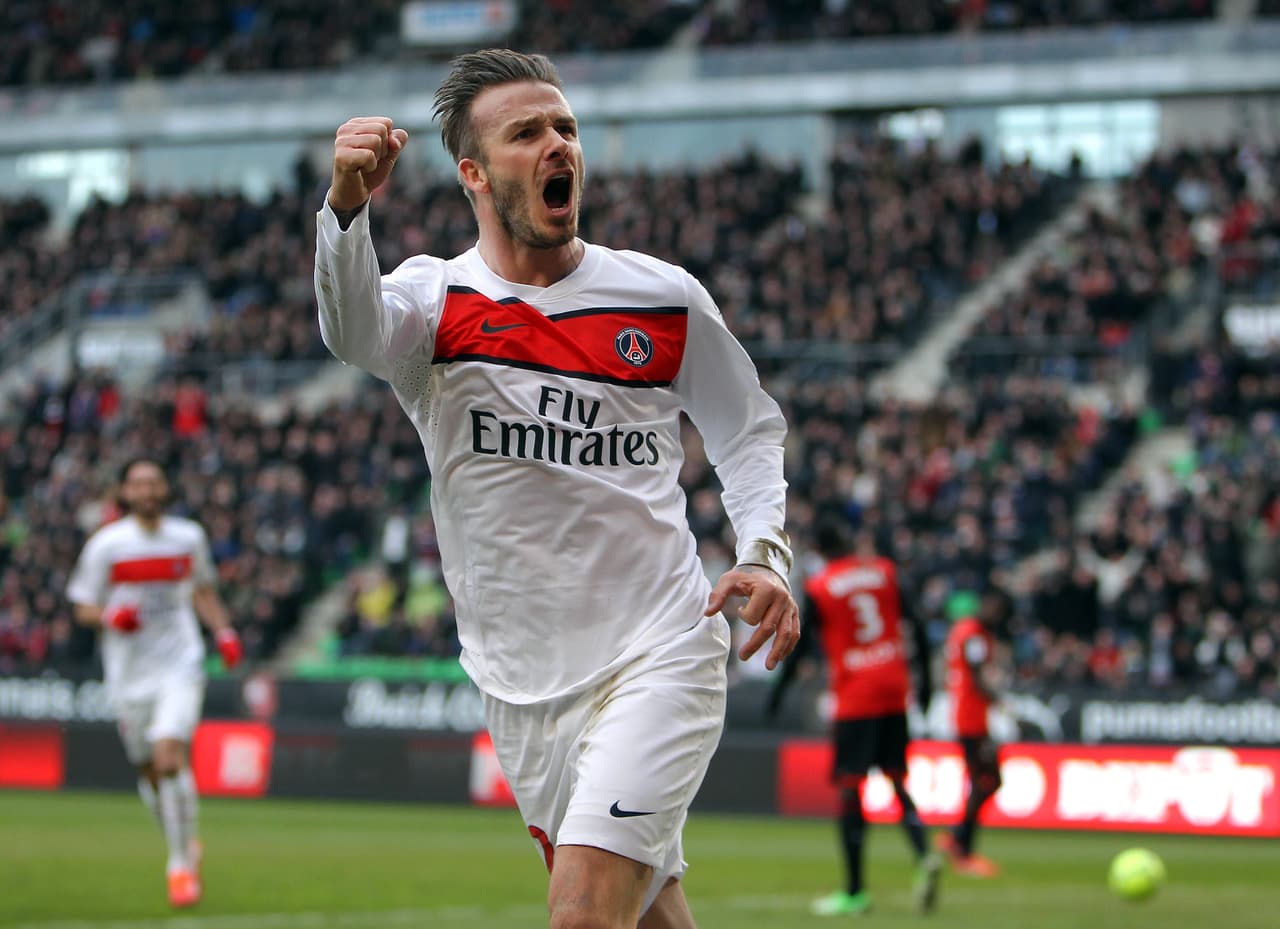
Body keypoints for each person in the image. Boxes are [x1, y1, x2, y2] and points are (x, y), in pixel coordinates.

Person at [313, 49, 798, 929]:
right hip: (521, 682)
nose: (556, 146)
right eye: (526, 133)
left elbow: (747, 429)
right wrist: (347, 208)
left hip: (661, 647)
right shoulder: (435, 301)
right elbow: (352, 333)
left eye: (565, 128)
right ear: (472, 172)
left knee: (581, 914)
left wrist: (766, 552)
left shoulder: (660, 298)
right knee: (650, 915)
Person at [66, 458, 243, 908]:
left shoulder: (188, 537)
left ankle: (180, 866)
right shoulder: (107, 545)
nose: (146, 490)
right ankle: (186, 844)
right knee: (148, 770)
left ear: (164, 488)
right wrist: (110, 616)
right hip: (129, 674)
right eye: (138, 483)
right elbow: (82, 606)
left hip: (179, 664)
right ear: (124, 492)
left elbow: (202, 590)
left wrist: (223, 633)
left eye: (154, 482)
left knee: (169, 758)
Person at [771, 518, 940, 917]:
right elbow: (916, 624)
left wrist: (779, 693)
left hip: (856, 695)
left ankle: (855, 891)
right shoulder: (884, 572)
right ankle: (924, 854)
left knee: (851, 790)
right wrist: (927, 686)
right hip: (894, 686)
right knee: (898, 781)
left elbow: (803, 642)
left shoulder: (821, 586)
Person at [937, 591, 1002, 878]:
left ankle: (957, 837)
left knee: (984, 780)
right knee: (985, 780)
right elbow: (976, 676)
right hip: (972, 719)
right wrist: (1000, 700)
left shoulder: (962, 631)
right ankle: (963, 849)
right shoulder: (974, 634)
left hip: (968, 716)